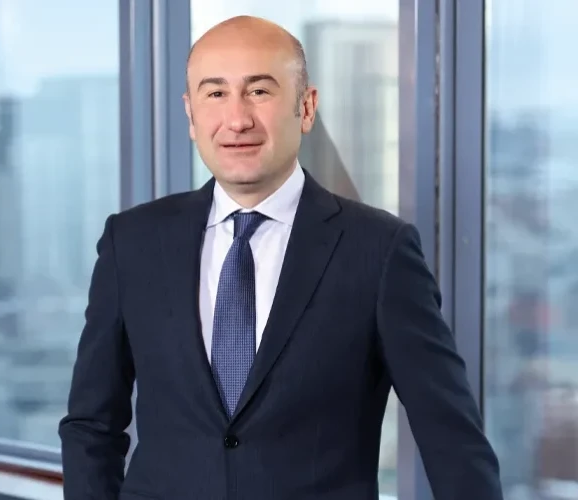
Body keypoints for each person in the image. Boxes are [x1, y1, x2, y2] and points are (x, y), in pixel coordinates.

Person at [59, 15, 503, 500]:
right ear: (190, 114)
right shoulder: (132, 242)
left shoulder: (379, 250)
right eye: (215, 93)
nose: (237, 119)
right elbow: (91, 426)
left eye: (259, 91)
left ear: (306, 107)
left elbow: (452, 440)